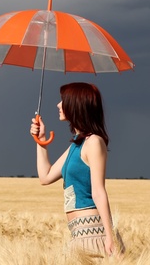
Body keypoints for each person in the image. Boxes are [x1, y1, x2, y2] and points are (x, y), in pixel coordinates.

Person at [30, 82, 123, 258]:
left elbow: (98, 192)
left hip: (94, 234)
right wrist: (40, 140)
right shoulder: (77, 143)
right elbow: (45, 177)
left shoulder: (94, 142)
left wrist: (110, 237)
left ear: (76, 105)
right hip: (77, 235)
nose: (58, 105)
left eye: (63, 100)